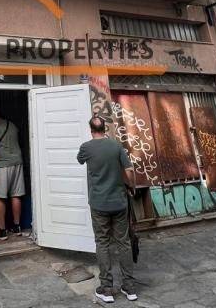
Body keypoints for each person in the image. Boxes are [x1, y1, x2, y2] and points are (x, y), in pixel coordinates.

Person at [77, 116, 138, 303]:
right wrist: (132, 187)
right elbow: (129, 170)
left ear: (91, 130)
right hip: (119, 202)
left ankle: (106, 289)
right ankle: (129, 287)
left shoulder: (86, 148)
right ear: (105, 128)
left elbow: (80, 160)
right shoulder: (116, 145)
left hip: (99, 204)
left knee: (102, 243)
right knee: (124, 243)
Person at [0, 109, 25, 240]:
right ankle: (17, 227)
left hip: (3, 164)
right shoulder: (13, 125)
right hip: (18, 162)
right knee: (16, 194)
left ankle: (1, 230)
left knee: (0, 197)